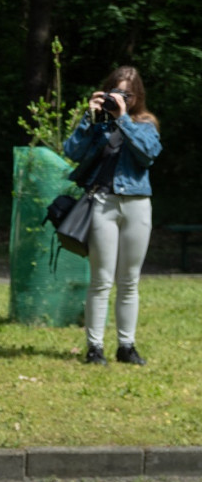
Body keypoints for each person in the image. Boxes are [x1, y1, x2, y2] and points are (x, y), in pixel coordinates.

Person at [63, 66, 162, 366]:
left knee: (129, 280)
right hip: (103, 202)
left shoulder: (145, 124)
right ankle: (95, 348)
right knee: (101, 280)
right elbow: (72, 152)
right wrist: (88, 118)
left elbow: (148, 154)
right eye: (116, 93)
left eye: (127, 95)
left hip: (136, 204)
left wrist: (123, 119)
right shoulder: (98, 124)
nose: (121, 99)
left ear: (137, 97)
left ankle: (126, 346)